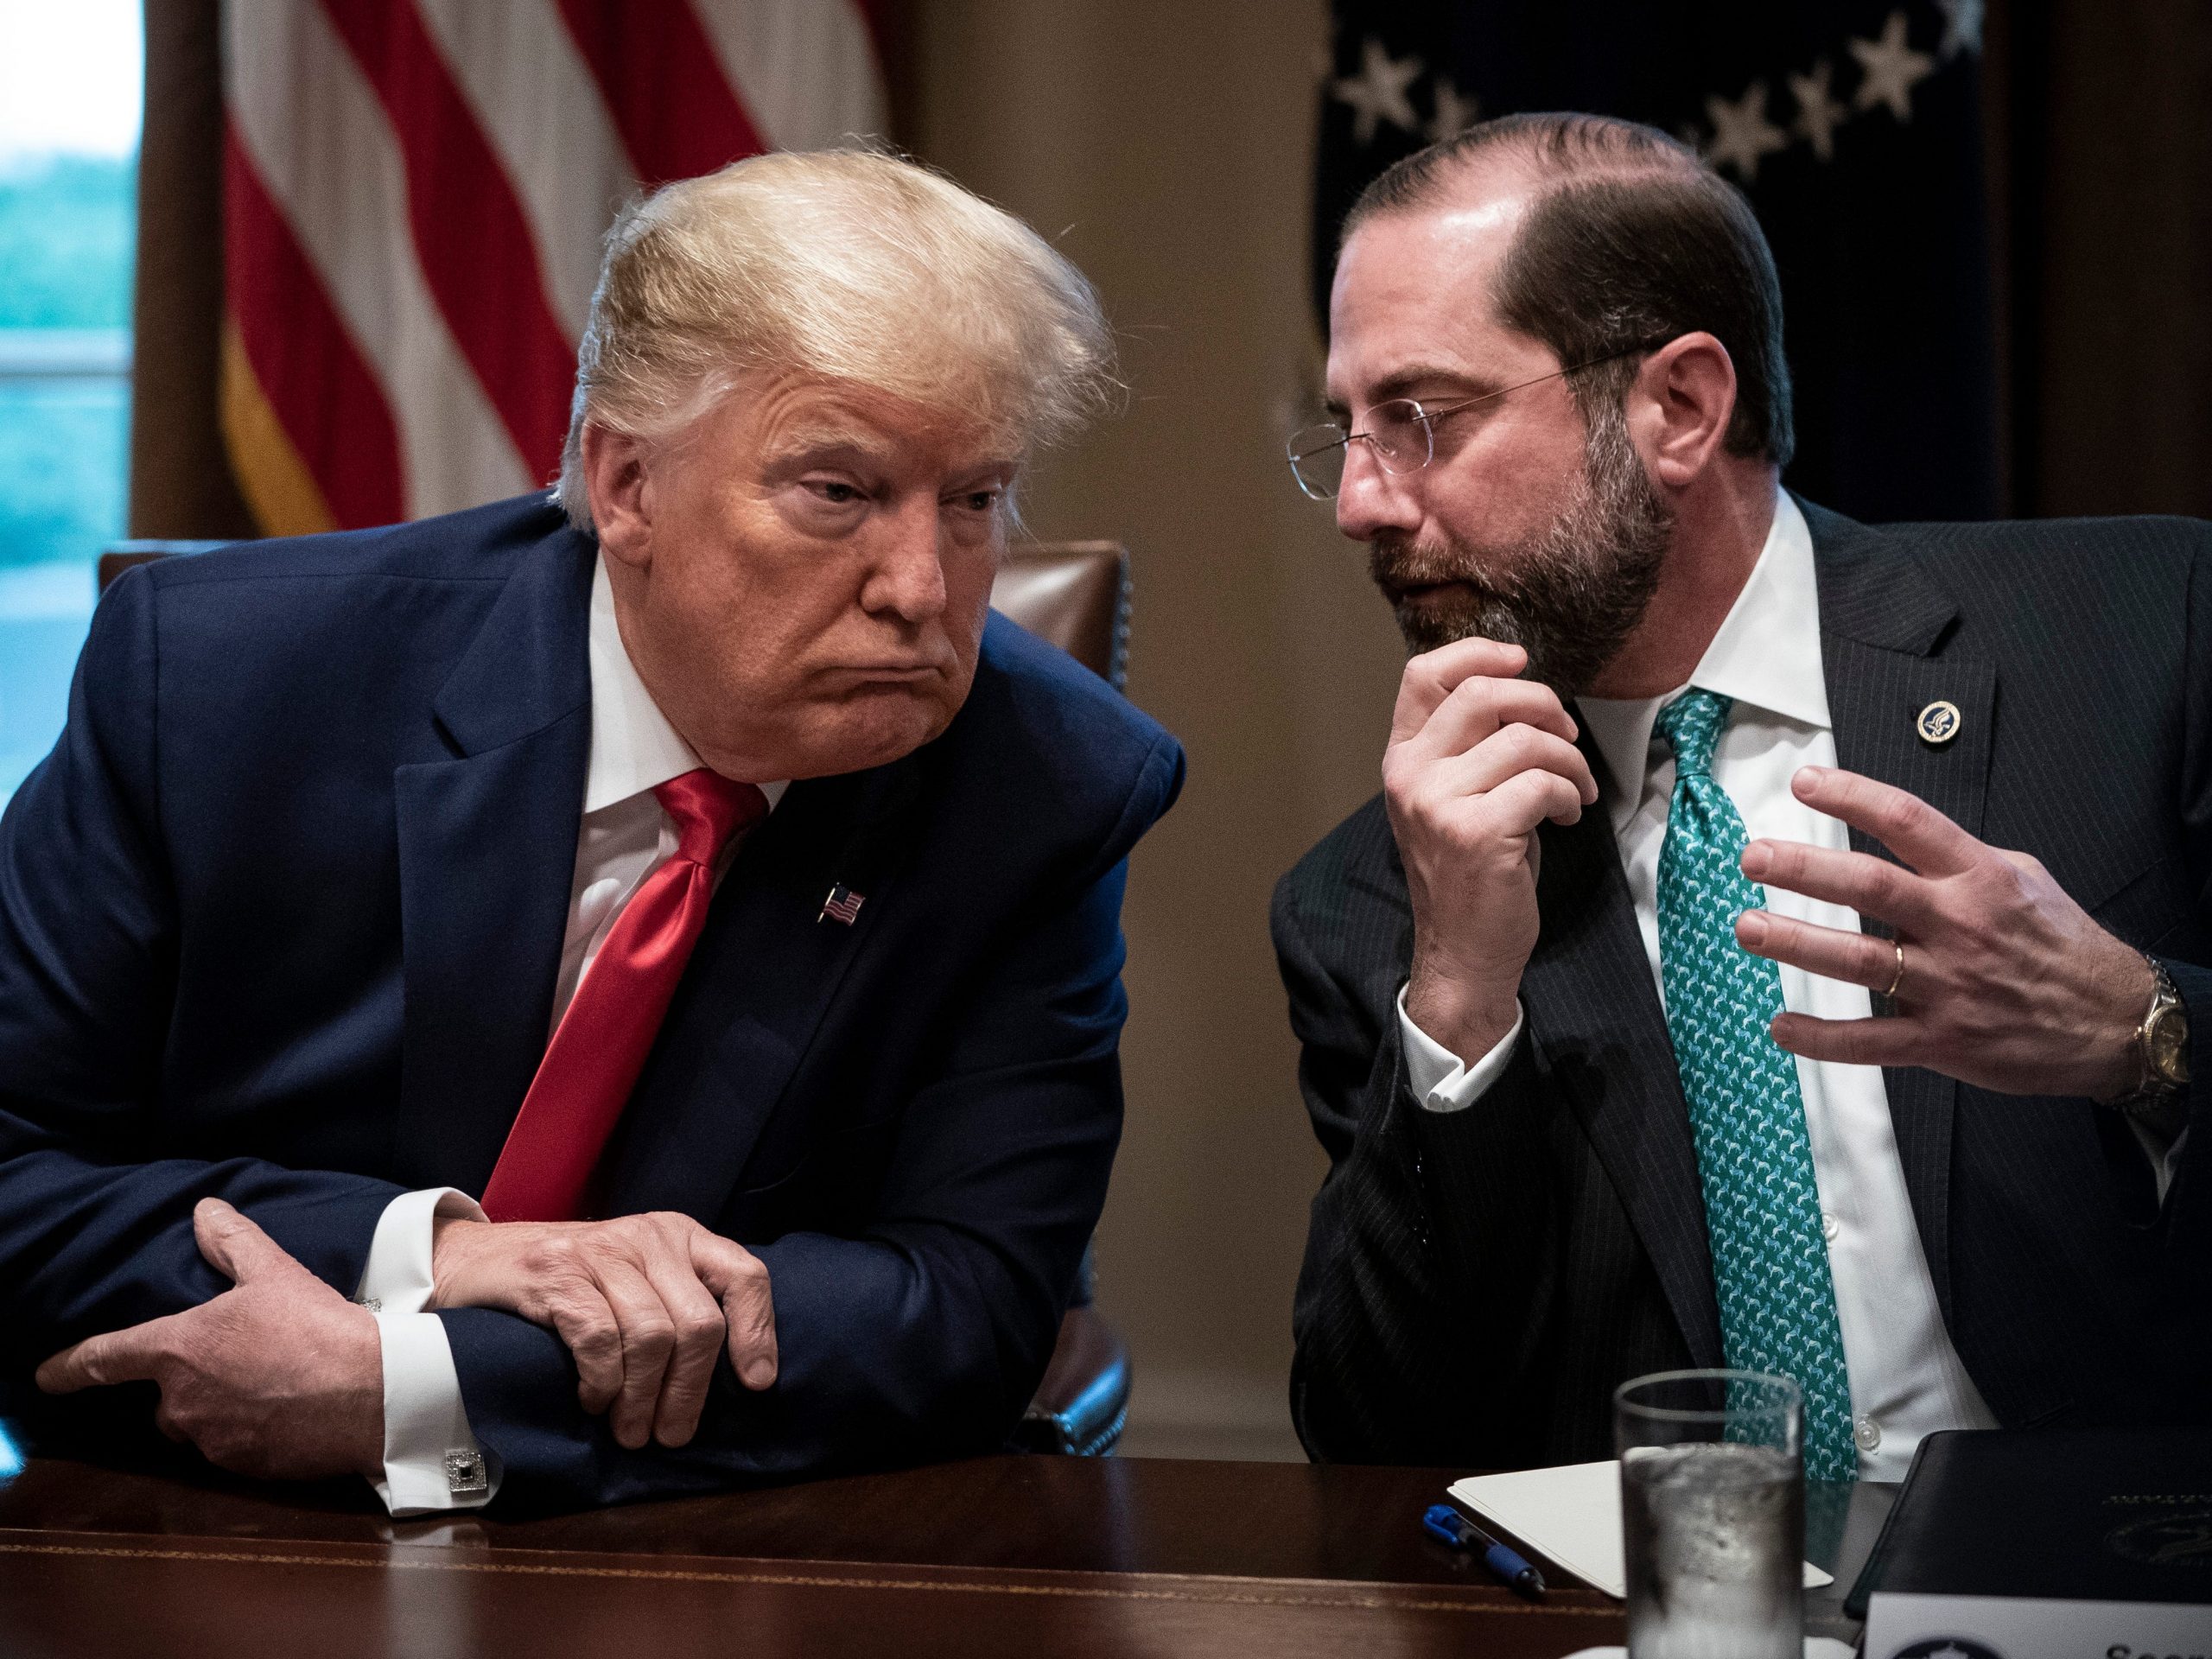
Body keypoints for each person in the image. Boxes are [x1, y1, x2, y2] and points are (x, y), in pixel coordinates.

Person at [0, 149, 1183, 1514]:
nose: (923, 588)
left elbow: (964, 1306)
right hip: (187, 1515)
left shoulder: (1039, 790)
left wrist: (419, 1384)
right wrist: (423, 1257)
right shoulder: (222, 681)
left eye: (974, 499)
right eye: (839, 493)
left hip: (702, 1557)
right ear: (626, 487)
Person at [1278, 112, 2207, 1480]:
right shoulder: (1373, 898)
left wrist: (2146, 1033)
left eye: (1422, 420)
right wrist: (1461, 1003)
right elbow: (1379, 1444)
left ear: (1678, 407)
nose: (1361, 501)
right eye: (1348, 432)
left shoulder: (2143, 637)